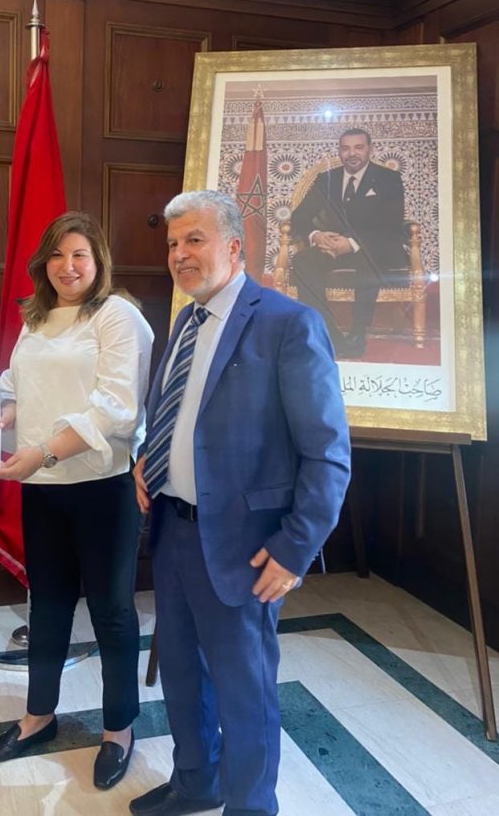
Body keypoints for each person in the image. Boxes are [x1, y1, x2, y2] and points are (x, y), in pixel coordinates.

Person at [130, 190, 350, 816]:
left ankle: (252, 806)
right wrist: (147, 462)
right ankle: (196, 782)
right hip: (173, 531)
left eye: (194, 240)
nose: (180, 254)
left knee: (244, 691)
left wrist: (295, 549)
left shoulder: (288, 324)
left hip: (246, 548)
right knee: (181, 674)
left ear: (233, 246)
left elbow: (327, 453)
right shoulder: (185, 321)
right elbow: (177, 416)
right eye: (172, 243)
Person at [0, 211, 154, 791]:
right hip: (44, 489)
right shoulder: (36, 317)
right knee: (48, 607)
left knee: (111, 612)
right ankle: (39, 716)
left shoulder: (117, 315)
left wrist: (43, 452)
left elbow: (117, 407)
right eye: (57, 255)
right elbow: (15, 390)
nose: (68, 266)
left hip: (102, 487)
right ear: (43, 263)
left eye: (80, 254)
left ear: (99, 260)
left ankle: (118, 729)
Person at [290, 127, 408, 358]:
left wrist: (352, 243)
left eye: (358, 147)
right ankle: (328, 333)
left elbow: (391, 226)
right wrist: (316, 235)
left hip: (374, 247)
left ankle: (358, 333)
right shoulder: (327, 179)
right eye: (345, 148)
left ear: (370, 149)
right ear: (339, 151)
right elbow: (298, 217)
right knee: (303, 261)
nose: (352, 153)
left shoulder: (389, 179)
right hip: (333, 248)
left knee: (368, 260)